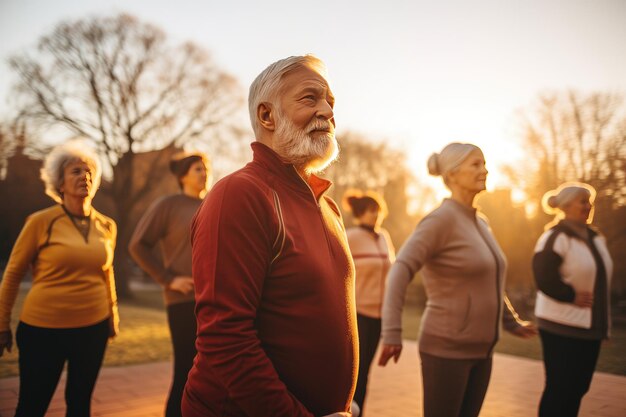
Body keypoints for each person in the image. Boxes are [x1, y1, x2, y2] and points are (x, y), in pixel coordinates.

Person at [181, 55, 357, 417]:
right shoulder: (239, 195)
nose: (327, 111)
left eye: (331, 102)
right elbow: (225, 338)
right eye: (310, 99)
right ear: (267, 116)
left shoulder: (329, 206)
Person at [378, 142, 537, 417]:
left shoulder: (482, 223)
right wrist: (392, 331)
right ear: (452, 174)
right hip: (446, 349)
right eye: (475, 164)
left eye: (484, 163)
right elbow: (400, 269)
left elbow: (489, 279)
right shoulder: (439, 221)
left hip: (483, 350)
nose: (484, 170)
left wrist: (511, 321)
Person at [0, 141, 118, 417]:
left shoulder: (107, 226)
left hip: (93, 329)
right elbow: (13, 274)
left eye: (89, 171)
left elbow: (107, 272)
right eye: (76, 171)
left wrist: (112, 317)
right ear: (59, 183)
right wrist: (2, 323)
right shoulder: (40, 222)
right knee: (32, 405)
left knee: (80, 404)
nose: (84, 176)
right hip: (43, 331)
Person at [129, 151, 210, 417]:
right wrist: (168, 279)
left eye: (205, 168)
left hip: (215, 300)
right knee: (186, 370)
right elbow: (138, 246)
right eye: (198, 169)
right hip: (183, 301)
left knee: (213, 372)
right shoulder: (168, 205)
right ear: (183, 176)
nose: (204, 173)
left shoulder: (212, 204)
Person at [533, 182, 612, 417]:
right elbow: (543, 277)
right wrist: (571, 295)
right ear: (566, 206)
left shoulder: (595, 238)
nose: (588, 206)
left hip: (588, 327)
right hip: (560, 325)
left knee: (578, 388)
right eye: (583, 202)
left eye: (590, 202)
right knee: (560, 389)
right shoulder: (555, 237)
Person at [343, 190, 395, 416]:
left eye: (378, 210)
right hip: (356, 313)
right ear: (360, 213)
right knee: (354, 371)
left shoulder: (384, 236)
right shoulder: (351, 236)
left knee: (365, 372)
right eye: (371, 210)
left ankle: (358, 411)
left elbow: (392, 271)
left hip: (379, 316)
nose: (376, 215)